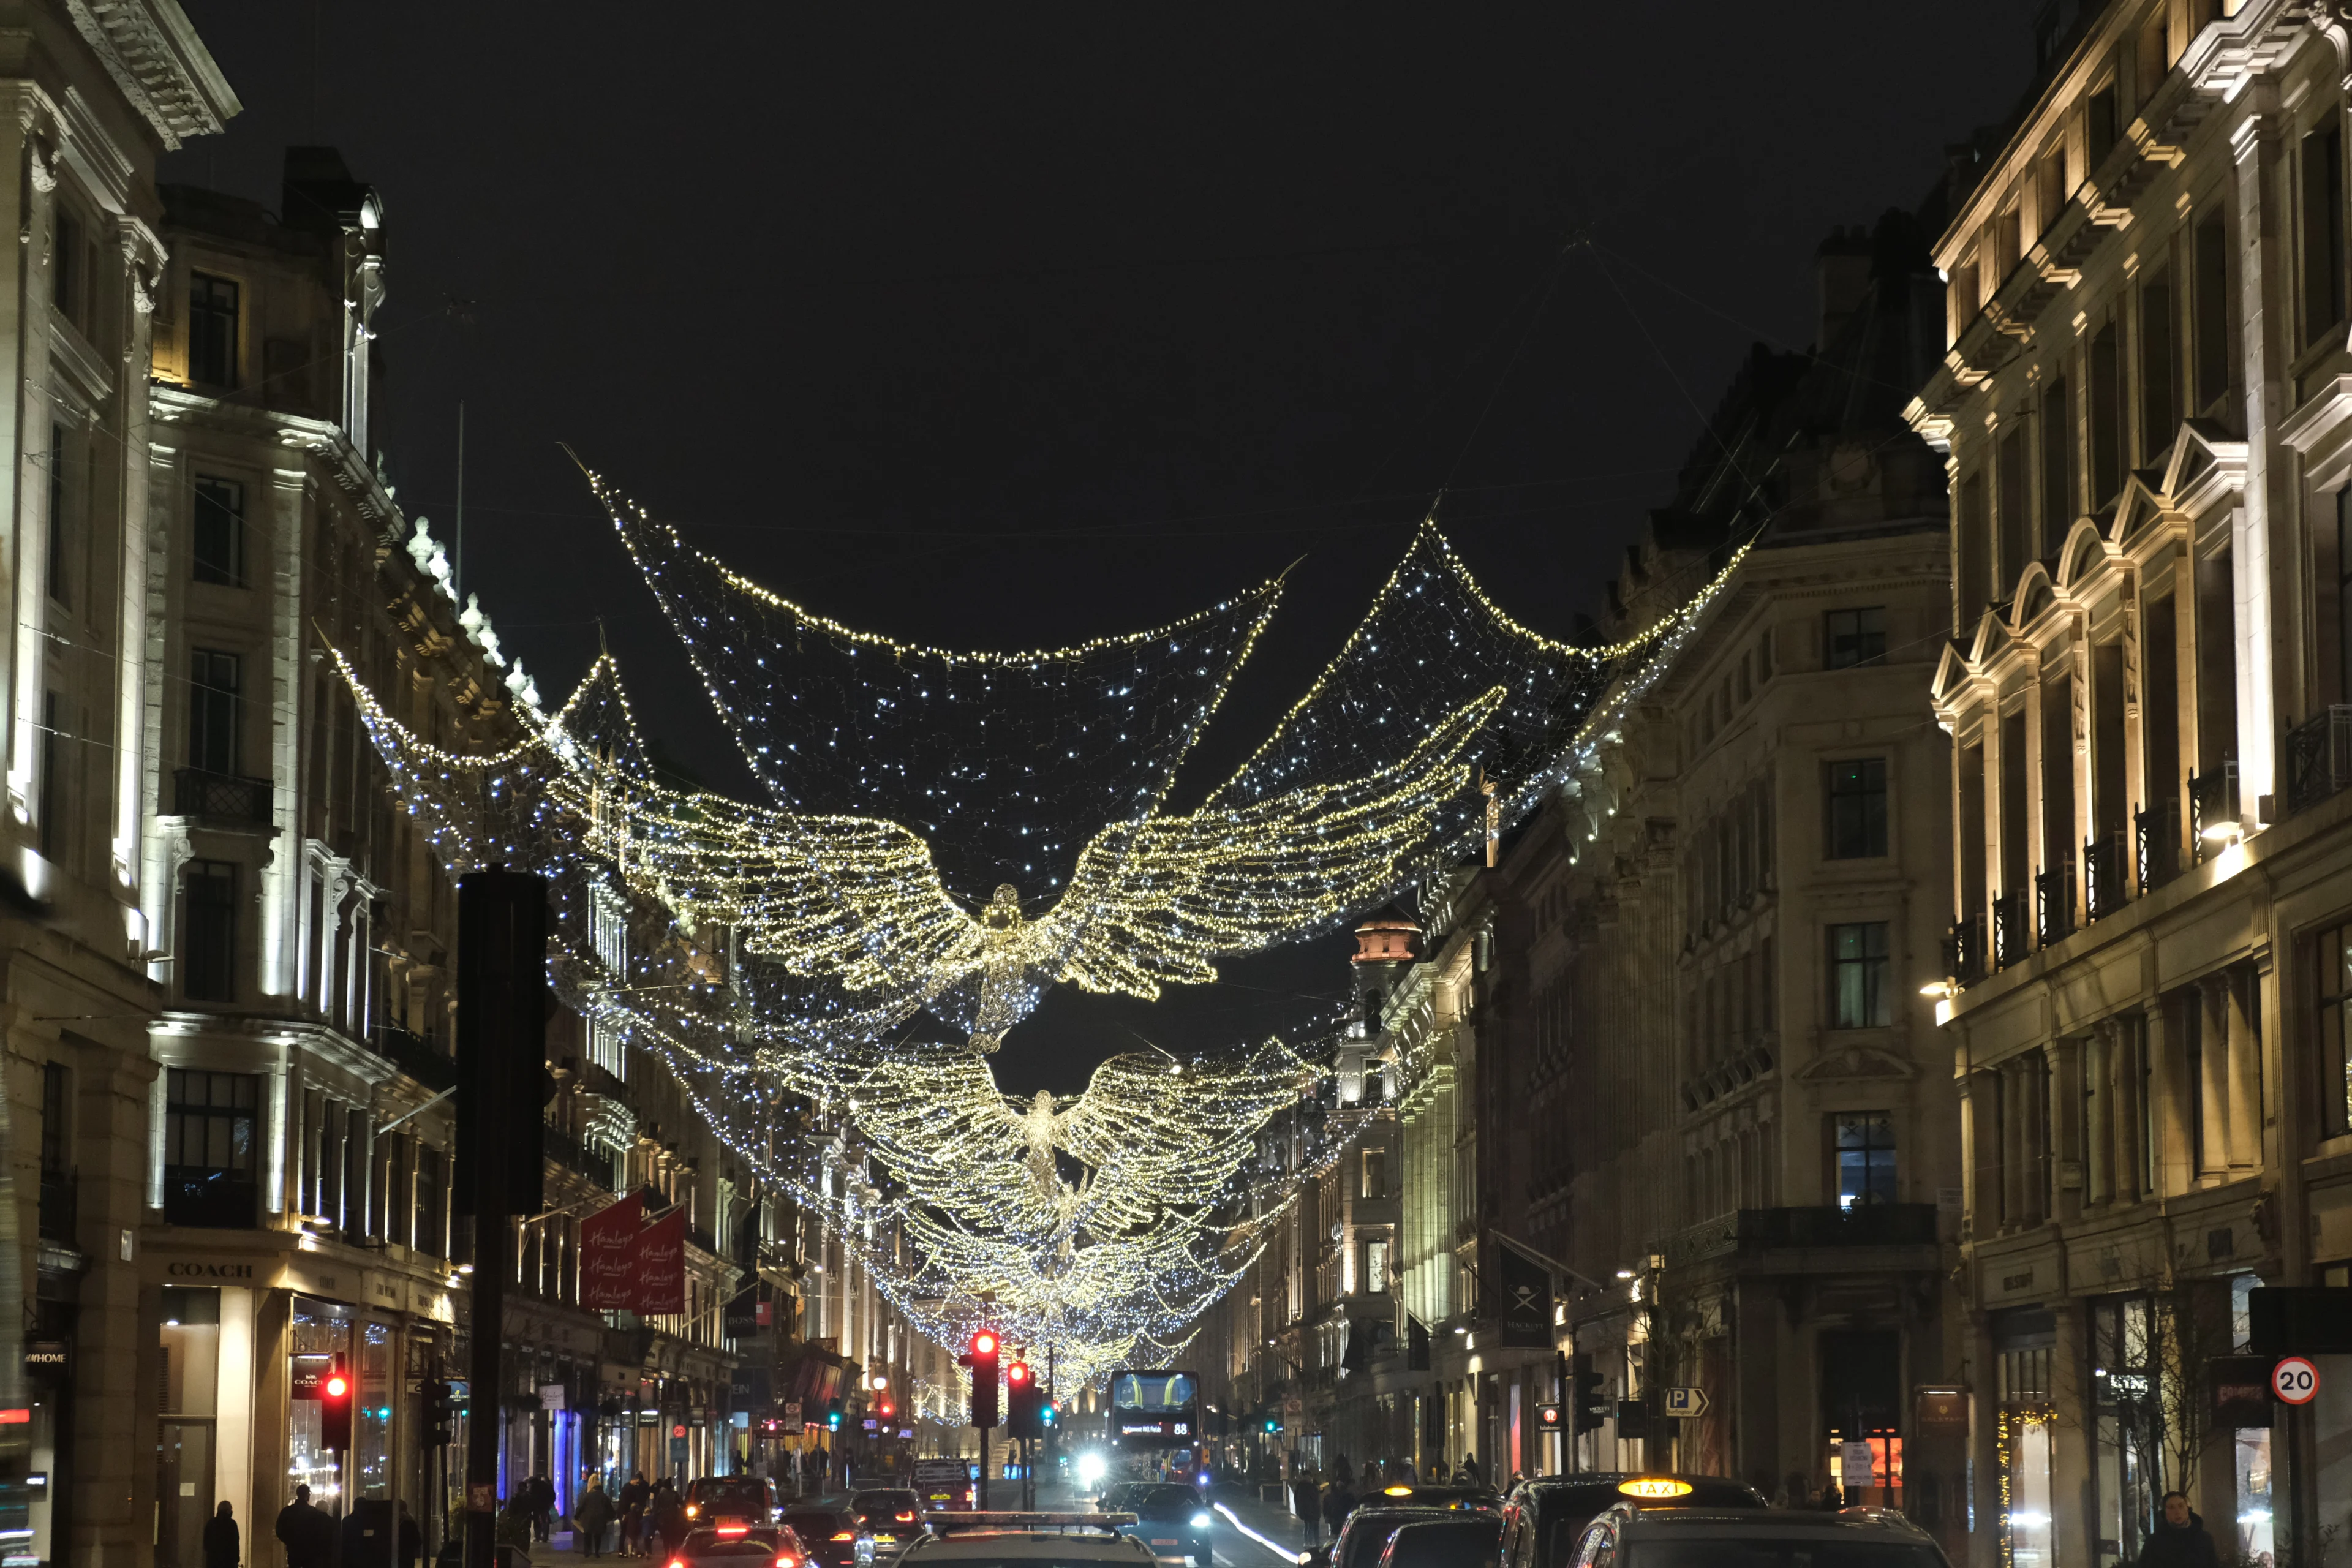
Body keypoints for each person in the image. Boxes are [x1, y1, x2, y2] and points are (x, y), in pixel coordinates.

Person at [2141, 1491, 2221, 1568]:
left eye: (2181, 1506)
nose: (2177, 1512)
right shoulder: (2154, 1543)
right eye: (2171, 1507)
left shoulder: (2204, 1539)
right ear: (2165, 1513)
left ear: (2188, 1509)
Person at [275, 1484, 334, 1568]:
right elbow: (321, 1532)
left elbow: (279, 1530)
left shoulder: (287, 1511)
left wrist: (289, 1542)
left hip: (293, 1551)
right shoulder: (315, 1513)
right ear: (307, 1495)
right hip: (310, 1552)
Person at [578, 1476, 617, 1559]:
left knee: (587, 1535)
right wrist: (613, 1516)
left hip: (588, 1518)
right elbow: (610, 1508)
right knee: (598, 1536)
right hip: (600, 1519)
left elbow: (581, 1507)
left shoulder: (587, 1496)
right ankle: (597, 1552)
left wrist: (576, 1516)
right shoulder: (604, 1497)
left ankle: (587, 1551)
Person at [202, 1500, 240, 1568]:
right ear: (228, 1511)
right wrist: (236, 1560)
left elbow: (206, 1544)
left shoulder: (211, 1523)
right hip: (229, 1563)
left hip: (213, 1562)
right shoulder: (232, 1524)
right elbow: (235, 1544)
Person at [620, 1472, 650, 1556]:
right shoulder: (630, 1489)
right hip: (629, 1513)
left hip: (628, 1513)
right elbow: (626, 1502)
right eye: (637, 1482)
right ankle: (630, 1551)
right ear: (636, 1480)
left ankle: (624, 1551)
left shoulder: (626, 1488)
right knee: (630, 1533)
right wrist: (625, 1513)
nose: (637, 1484)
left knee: (627, 1533)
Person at [1321, 1477, 1354, 1541]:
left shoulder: (1331, 1497)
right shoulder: (1348, 1496)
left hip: (1335, 1522)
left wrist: (1328, 1517)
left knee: (1335, 1539)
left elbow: (1328, 1509)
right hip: (1343, 1520)